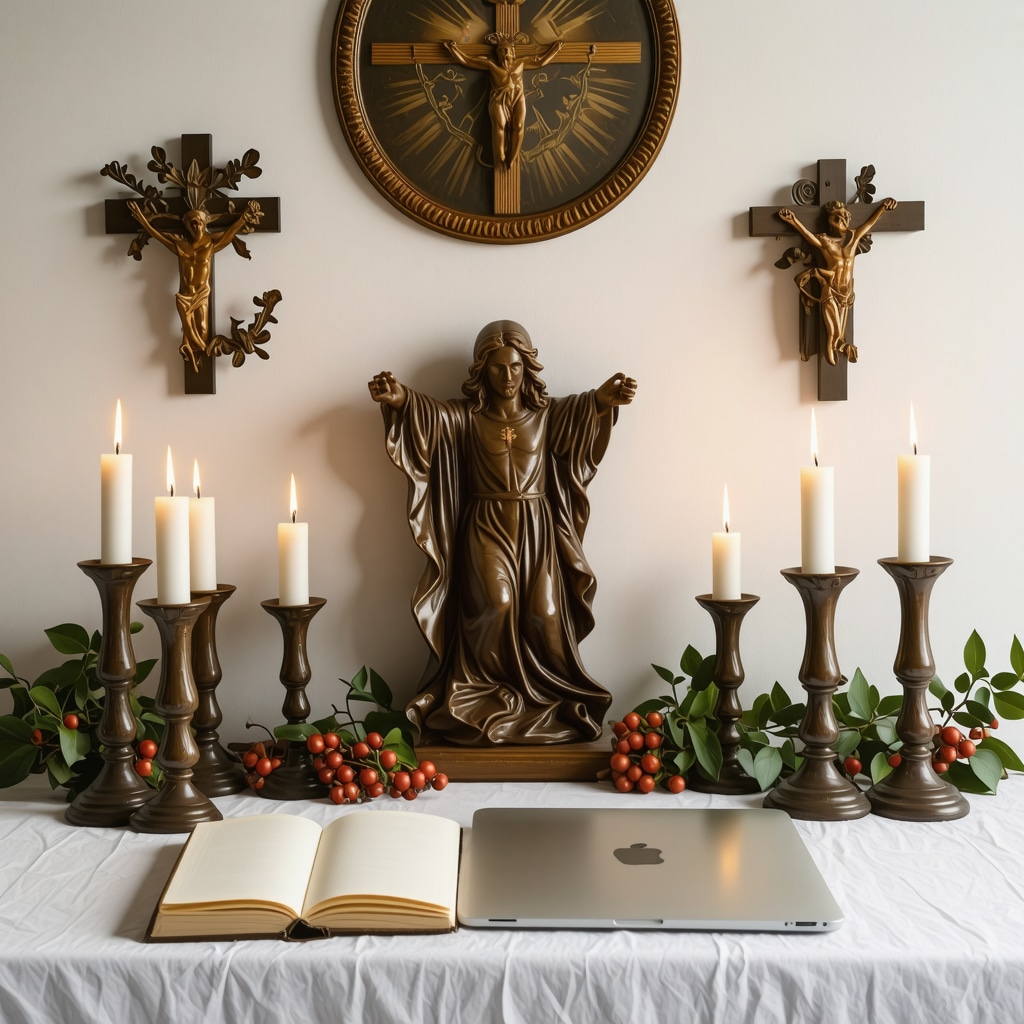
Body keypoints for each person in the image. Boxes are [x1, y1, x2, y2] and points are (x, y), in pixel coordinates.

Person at [368, 321, 636, 745]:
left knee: (545, 614)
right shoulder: (466, 417)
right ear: (482, 371)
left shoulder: (546, 415)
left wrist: (603, 401)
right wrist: (399, 398)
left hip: (537, 527)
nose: (506, 378)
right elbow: (431, 417)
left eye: (513, 367)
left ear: (527, 368)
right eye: (496, 369)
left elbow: (579, 413)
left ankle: (546, 699)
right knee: (496, 602)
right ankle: (484, 698)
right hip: (485, 524)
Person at [126, 200, 263, 371]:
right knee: (189, 329)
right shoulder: (180, 245)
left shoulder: (211, 244)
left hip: (202, 294)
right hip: (184, 296)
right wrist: (141, 218)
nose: (196, 225)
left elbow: (230, 233)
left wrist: (243, 218)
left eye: (199, 222)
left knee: (203, 330)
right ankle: (203, 350)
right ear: (188, 226)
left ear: (204, 223)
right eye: (192, 223)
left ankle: (195, 349)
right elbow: (157, 235)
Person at [778, 197, 897, 365]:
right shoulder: (825, 242)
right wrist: (793, 220)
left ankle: (844, 347)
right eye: (837, 218)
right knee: (832, 334)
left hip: (847, 295)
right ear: (830, 221)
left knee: (839, 333)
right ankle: (837, 349)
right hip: (831, 291)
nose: (842, 221)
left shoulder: (854, 238)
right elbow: (807, 235)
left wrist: (883, 208)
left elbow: (870, 224)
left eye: (845, 217)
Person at [444, 37, 563, 166]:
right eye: (501, 50)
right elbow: (468, 61)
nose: (504, 53)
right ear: (497, 53)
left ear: (513, 51)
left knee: (518, 126)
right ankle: (500, 154)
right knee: (499, 125)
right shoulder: (491, 65)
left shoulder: (521, 63)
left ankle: (513, 156)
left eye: (507, 50)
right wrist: (453, 49)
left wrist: (555, 49)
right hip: (499, 99)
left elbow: (540, 61)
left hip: (517, 98)